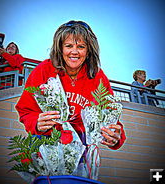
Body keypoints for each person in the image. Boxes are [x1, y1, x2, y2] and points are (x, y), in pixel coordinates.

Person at [16, 20, 126, 150]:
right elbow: (25, 109)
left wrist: (116, 137)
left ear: (89, 50)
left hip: (81, 147)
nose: (74, 52)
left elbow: (109, 117)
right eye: (68, 46)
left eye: (81, 47)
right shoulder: (43, 70)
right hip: (44, 143)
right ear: (60, 48)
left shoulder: (98, 77)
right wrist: (35, 122)